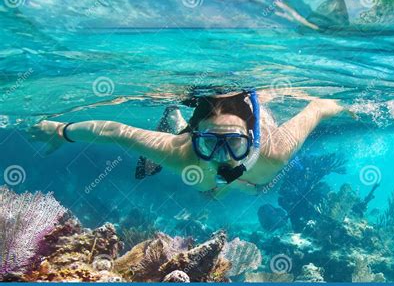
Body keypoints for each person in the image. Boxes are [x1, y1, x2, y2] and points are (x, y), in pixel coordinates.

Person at [30, 89, 343, 196]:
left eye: (234, 144)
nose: (223, 157)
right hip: (197, 155)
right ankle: (176, 118)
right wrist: (62, 130)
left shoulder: (277, 149)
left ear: (252, 139)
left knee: (220, 187)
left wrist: (358, 108)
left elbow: (317, 106)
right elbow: (115, 131)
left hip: (241, 177)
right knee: (207, 181)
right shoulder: (182, 152)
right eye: (209, 144)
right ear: (196, 138)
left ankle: (178, 122)